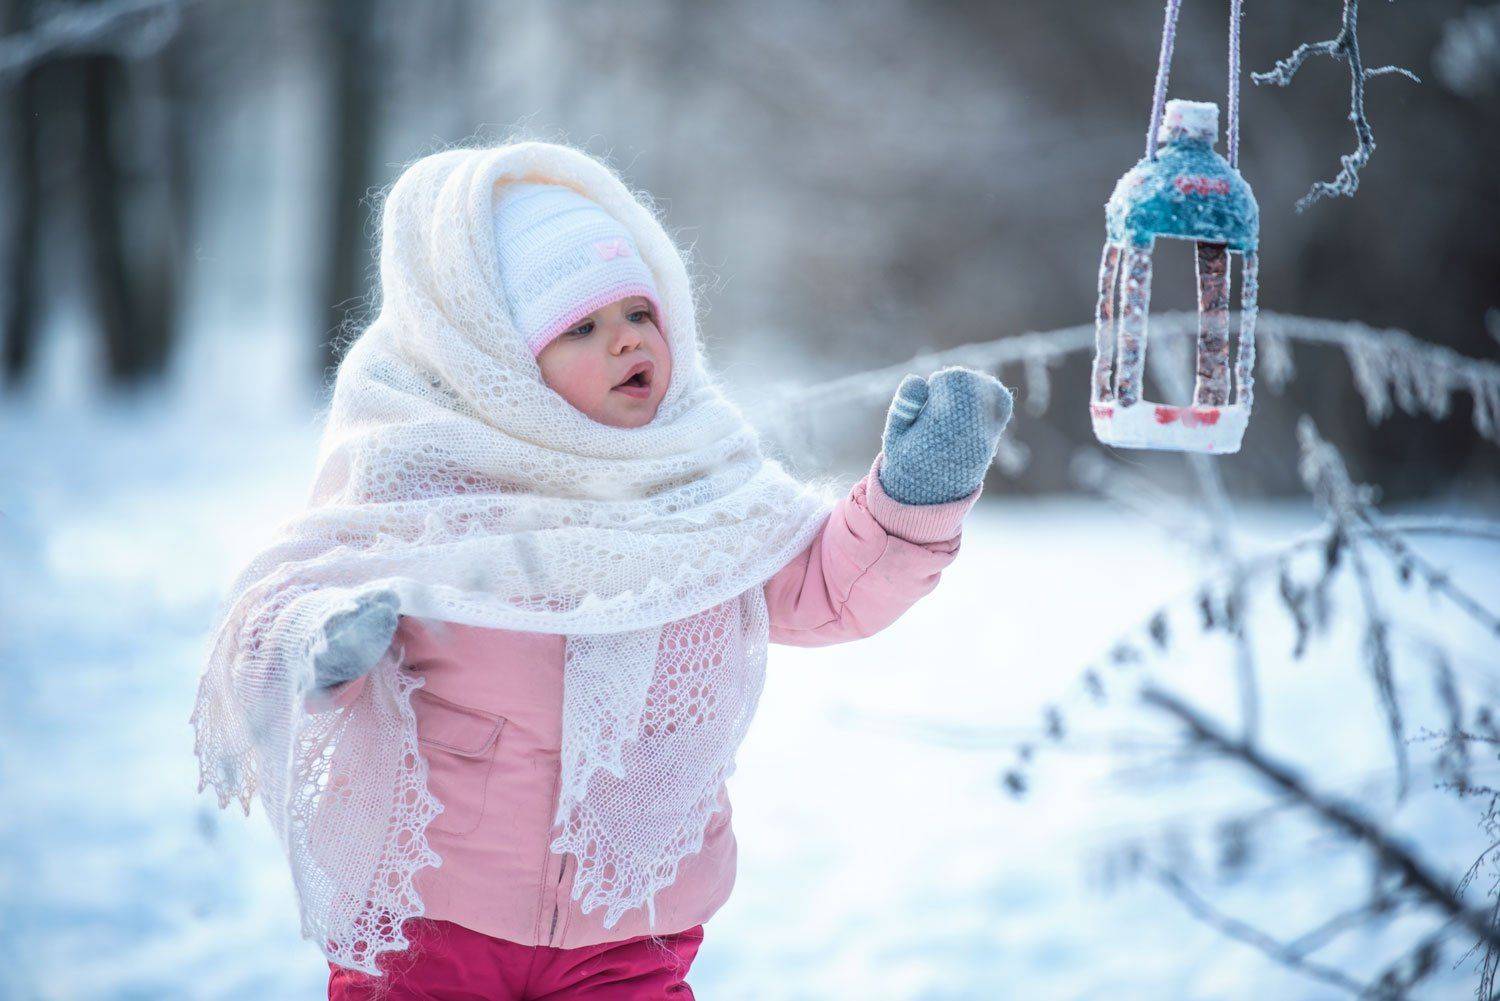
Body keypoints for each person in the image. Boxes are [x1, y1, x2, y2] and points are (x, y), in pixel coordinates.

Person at [190, 141, 1013, 1000]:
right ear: (499, 359)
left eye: (637, 313)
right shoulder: (428, 476)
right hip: (432, 917)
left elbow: (824, 587)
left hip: (633, 921)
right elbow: (282, 607)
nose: (624, 340)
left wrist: (912, 497)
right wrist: (325, 648)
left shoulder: (699, 476)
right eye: (581, 327)